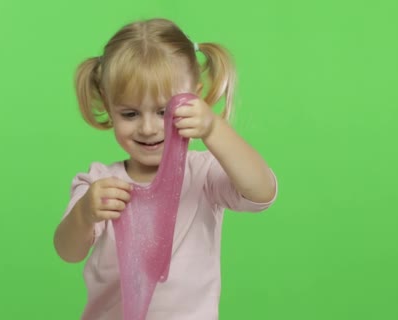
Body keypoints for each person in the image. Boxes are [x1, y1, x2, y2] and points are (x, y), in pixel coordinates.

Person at [53, 18, 278, 320]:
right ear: (108, 106)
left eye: (164, 111)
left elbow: (262, 192)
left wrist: (213, 128)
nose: (148, 128)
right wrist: (83, 213)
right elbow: (69, 252)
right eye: (130, 113)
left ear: (194, 99)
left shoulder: (203, 175)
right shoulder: (100, 183)